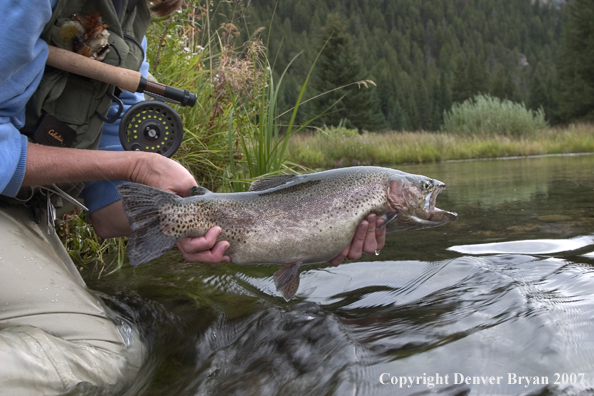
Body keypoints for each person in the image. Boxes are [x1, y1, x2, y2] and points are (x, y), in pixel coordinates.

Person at [0, 0, 386, 394]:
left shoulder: (129, 23)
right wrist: (132, 166)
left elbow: (107, 210)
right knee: (100, 357)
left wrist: (187, 228)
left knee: (131, 341)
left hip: (26, 213)